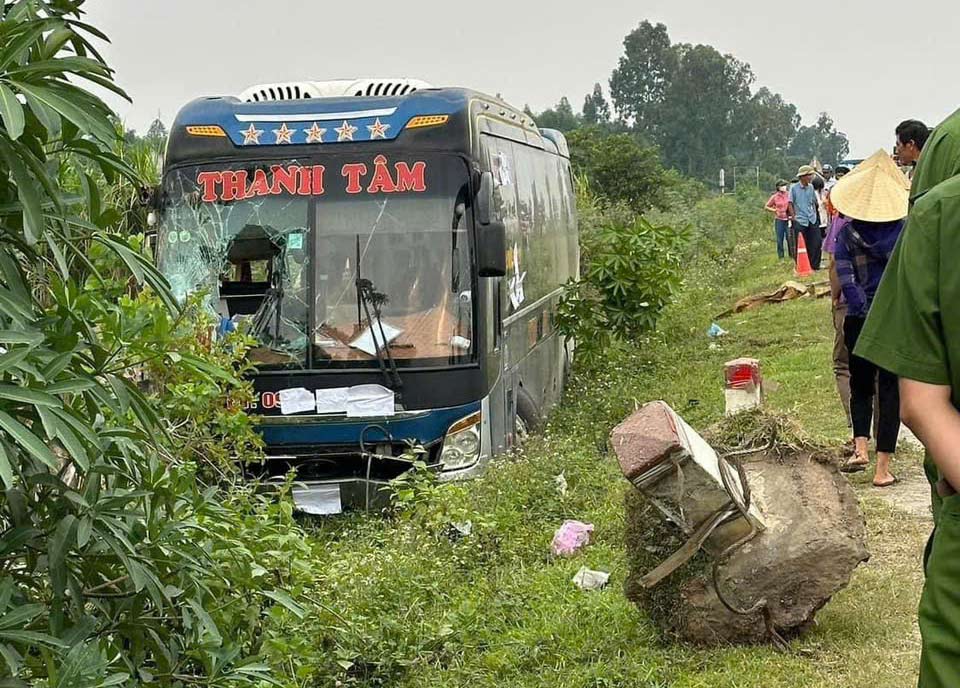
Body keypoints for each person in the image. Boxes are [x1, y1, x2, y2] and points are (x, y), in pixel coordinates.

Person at [854, 107, 960, 688]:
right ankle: (875, 456)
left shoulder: (934, 215)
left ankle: (880, 459)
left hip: (908, 341)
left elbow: (925, 403)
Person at [832, 150, 908, 486]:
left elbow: (846, 281)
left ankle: (860, 448)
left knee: (861, 386)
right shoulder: (904, 233)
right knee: (889, 390)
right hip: (892, 319)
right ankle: (882, 470)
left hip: (858, 318)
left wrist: (861, 306)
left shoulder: (847, 235)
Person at [788, 165, 822, 269]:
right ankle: (802, 265)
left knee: (816, 242)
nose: (811, 177)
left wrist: (816, 215)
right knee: (802, 243)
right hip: (800, 219)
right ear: (803, 176)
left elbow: (813, 202)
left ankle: (815, 265)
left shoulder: (811, 187)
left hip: (811, 218)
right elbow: (790, 203)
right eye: (809, 175)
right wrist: (794, 217)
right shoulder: (794, 188)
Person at [764, 180, 791, 259]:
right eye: (782, 186)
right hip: (779, 219)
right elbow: (766, 206)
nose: (784, 187)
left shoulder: (789, 194)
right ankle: (781, 256)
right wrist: (774, 210)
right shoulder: (775, 197)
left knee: (789, 238)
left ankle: (791, 255)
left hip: (788, 219)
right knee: (780, 239)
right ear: (778, 187)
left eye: (785, 185)